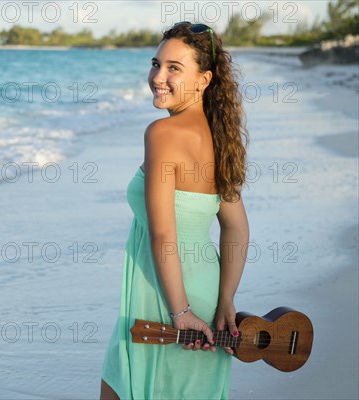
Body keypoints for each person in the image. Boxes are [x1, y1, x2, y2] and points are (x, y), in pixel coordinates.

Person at [99, 22, 250, 400]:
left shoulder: (162, 134)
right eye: (156, 64)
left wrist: (180, 311)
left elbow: (163, 233)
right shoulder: (220, 137)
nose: (158, 77)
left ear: (204, 79)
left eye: (174, 68)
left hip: (168, 300)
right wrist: (226, 299)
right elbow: (236, 228)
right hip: (207, 295)